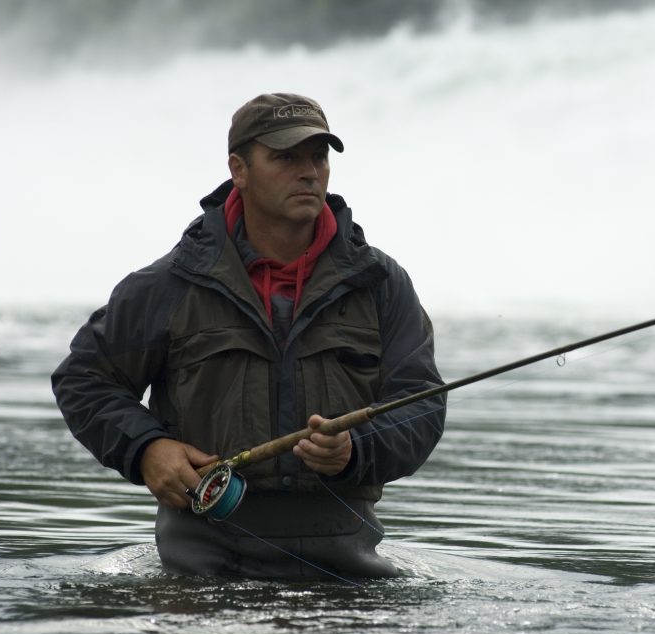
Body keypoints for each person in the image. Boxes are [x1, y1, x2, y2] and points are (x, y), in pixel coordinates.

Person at [52, 93, 446, 578]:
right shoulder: (168, 285)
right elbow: (84, 379)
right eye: (285, 157)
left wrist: (356, 448)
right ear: (239, 169)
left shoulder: (381, 284)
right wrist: (147, 449)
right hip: (202, 565)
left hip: (349, 567)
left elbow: (422, 402)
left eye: (318, 156)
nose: (308, 171)